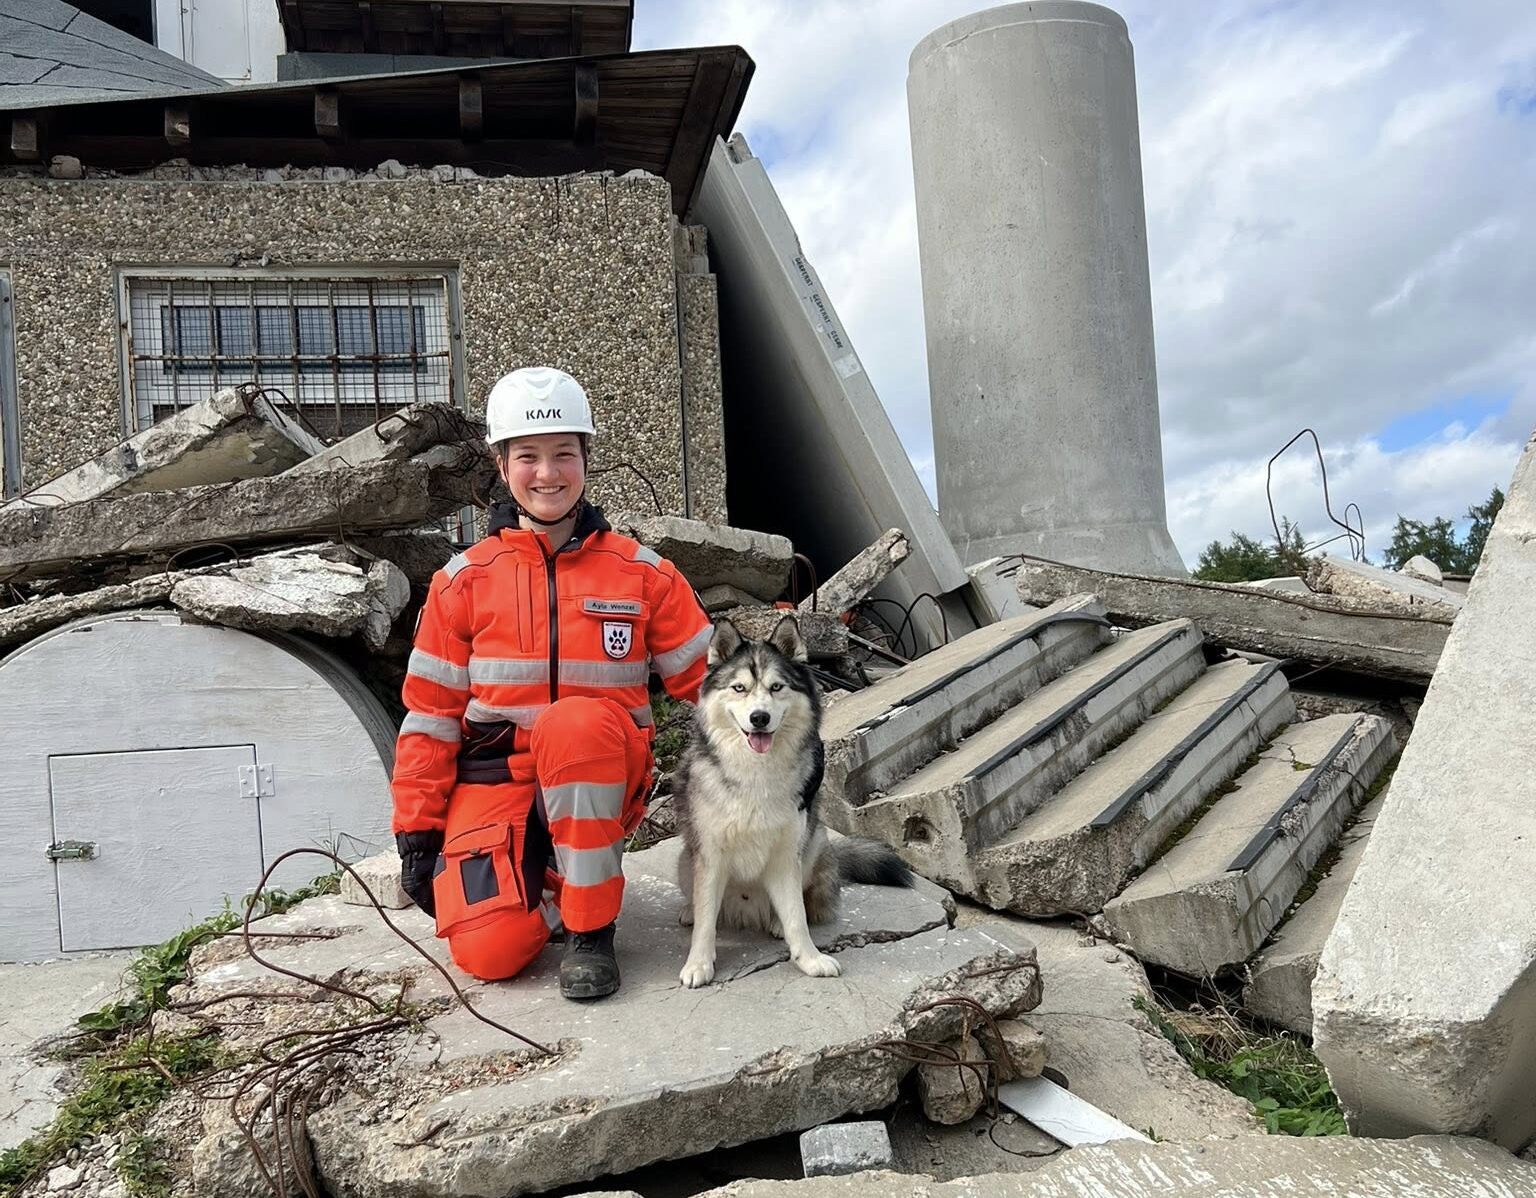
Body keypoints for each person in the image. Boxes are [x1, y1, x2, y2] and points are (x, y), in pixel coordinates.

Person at [391, 366, 712, 1000]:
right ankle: (545, 887)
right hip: (497, 778)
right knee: (491, 952)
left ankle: (591, 930)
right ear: (501, 465)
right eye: (528, 457)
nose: (548, 473)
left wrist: (785, 747)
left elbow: (717, 689)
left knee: (575, 722)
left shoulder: (644, 574)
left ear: (586, 459)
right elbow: (430, 717)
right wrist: (417, 831)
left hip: (598, 765)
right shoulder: (462, 581)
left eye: (564, 454)